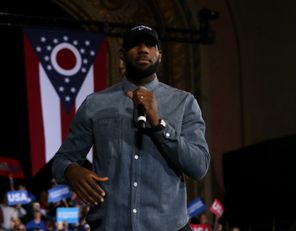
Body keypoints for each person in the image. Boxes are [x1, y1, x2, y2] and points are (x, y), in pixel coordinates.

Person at [51, 24, 210, 230]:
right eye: (136, 44)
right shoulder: (95, 104)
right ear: (122, 54)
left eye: (150, 45)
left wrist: (158, 124)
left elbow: (199, 166)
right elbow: (61, 160)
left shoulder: (184, 103)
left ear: (159, 55)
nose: (143, 49)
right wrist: (71, 171)